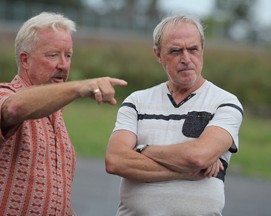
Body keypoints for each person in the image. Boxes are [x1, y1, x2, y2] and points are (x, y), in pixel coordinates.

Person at [105, 15, 243, 216]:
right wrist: (186, 170)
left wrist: (141, 150)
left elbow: (197, 157)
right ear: (158, 54)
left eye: (193, 49)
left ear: (202, 50)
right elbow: (115, 161)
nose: (186, 59)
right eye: (176, 51)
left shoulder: (225, 102)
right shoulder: (136, 101)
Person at [0, 12, 127, 216]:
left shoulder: (55, 114)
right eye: (52, 55)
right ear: (25, 60)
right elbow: (14, 108)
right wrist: (80, 87)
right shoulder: (6, 94)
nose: (63, 65)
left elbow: (52, 196)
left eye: (68, 55)